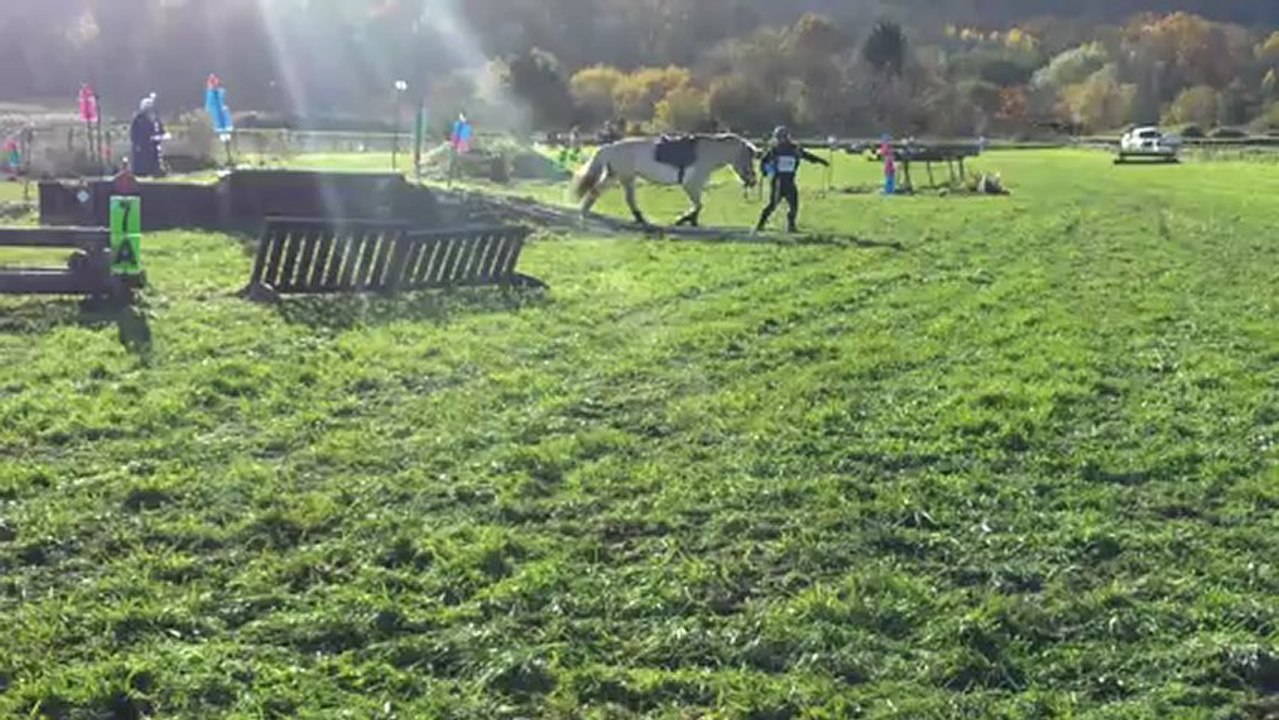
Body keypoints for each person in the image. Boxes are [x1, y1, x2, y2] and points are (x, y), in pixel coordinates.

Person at [755, 126, 828, 233]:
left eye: (782, 137)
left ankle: (791, 226)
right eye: (780, 138)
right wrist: (765, 171)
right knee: (772, 205)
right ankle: (760, 225)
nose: (781, 140)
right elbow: (764, 162)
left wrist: (821, 161)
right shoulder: (774, 150)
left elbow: (807, 156)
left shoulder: (794, 149)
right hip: (778, 182)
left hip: (789, 182)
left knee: (794, 205)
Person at [130, 94, 167, 177]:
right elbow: (134, 134)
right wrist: (138, 144)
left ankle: (156, 171)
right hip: (142, 146)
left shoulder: (155, 118)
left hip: (153, 146)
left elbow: (160, 130)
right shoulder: (138, 119)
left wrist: (162, 135)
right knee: (142, 163)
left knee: (154, 160)